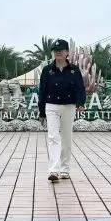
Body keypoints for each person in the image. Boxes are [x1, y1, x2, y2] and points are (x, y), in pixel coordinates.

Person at [38, 38, 87, 182]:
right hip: (51, 106)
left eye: (60, 50)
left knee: (66, 137)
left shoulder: (74, 70)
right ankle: (53, 170)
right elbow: (42, 91)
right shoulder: (47, 70)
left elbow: (80, 88)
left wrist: (80, 102)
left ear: (67, 52)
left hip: (69, 106)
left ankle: (65, 169)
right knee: (53, 137)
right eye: (55, 51)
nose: (58, 53)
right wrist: (41, 112)